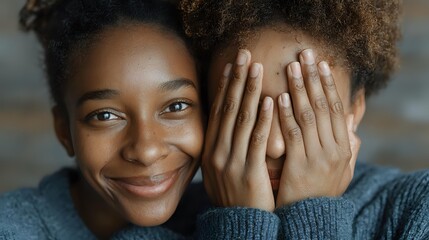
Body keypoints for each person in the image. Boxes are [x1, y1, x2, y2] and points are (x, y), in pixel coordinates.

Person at [180, 0, 429, 239]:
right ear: (207, 110)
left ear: (356, 108)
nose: (275, 146)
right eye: (250, 111)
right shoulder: (160, 221)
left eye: (304, 112)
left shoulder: (419, 209)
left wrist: (314, 214)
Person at [0, 0, 213, 239]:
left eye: (176, 106)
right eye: (105, 115)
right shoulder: (10, 229)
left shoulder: (228, 210)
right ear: (63, 131)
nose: (146, 151)